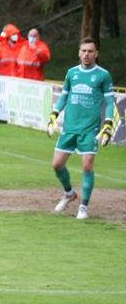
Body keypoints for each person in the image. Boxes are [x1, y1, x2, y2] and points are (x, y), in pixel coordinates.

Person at [46, 37, 116, 220]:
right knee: (57, 164)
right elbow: (64, 97)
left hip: (89, 129)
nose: (86, 54)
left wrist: (108, 123)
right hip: (69, 127)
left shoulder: (103, 75)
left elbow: (109, 101)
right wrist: (54, 114)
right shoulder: (71, 73)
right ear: (79, 52)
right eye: (83, 51)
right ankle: (69, 193)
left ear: (96, 54)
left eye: (90, 51)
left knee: (87, 166)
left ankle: (83, 207)